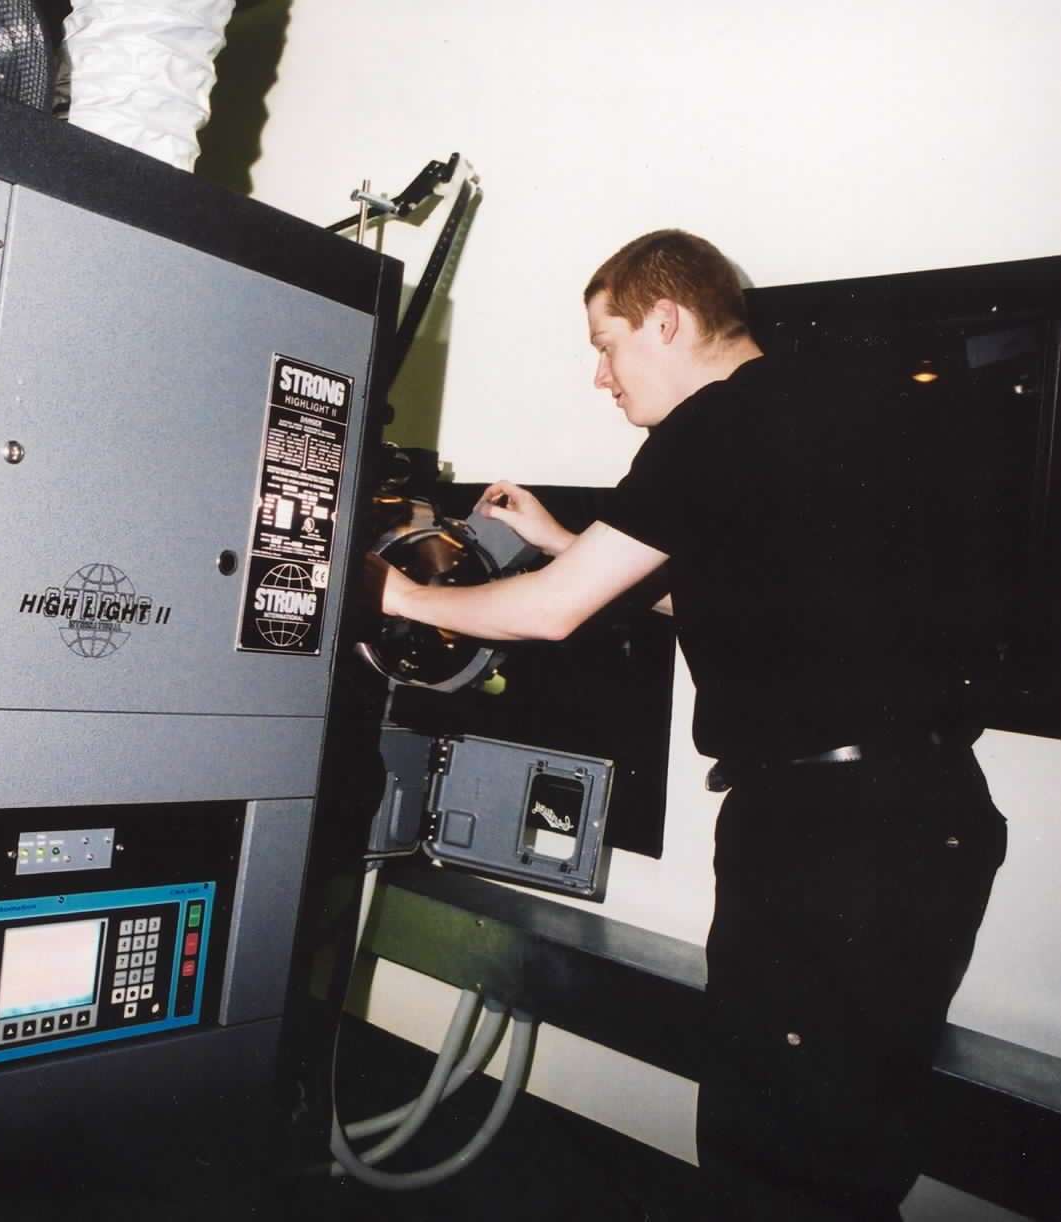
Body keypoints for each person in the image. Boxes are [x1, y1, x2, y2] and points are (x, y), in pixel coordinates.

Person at [376, 229, 1006, 1220]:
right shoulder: (823, 405)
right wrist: (561, 540)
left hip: (827, 831)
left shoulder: (712, 427)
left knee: (778, 1148)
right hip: (925, 816)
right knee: (845, 1136)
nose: (601, 375)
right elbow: (735, 596)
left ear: (667, 319)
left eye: (608, 342)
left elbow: (550, 613)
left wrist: (394, 594)